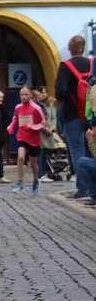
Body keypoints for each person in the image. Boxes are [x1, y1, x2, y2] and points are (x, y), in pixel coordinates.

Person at [55, 35, 92, 196]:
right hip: (91, 115)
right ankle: (94, 188)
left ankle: (83, 188)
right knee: (92, 151)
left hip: (72, 114)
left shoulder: (65, 66)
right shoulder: (92, 64)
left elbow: (60, 92)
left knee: (78, 152)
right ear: (83, 48)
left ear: (70, 49)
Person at [6, 85, 45, 196]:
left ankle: (36, 180)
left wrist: (32, 127)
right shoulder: (18, 107)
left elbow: (42, 123)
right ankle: (19, 182)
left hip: (34, 138)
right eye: (21, 95)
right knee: (21, 157)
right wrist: (11, 127)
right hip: (22, 136)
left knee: (33, 163)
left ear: (31, 95)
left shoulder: (36, 108)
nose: (23, 97)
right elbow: (15, 119)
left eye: (26, 94)